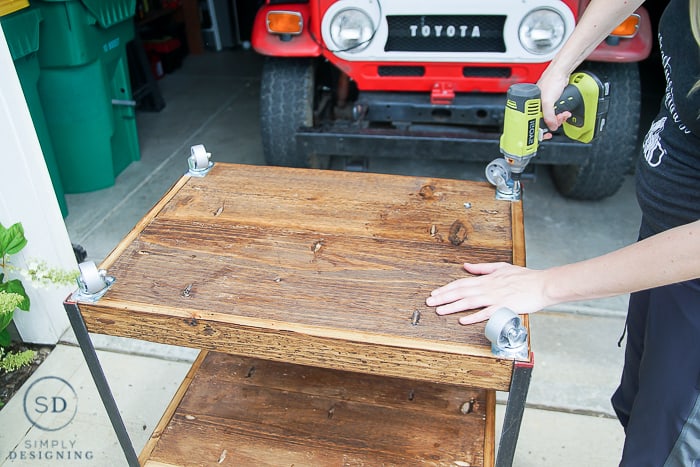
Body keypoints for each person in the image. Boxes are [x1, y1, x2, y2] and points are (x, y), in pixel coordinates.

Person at [426, 0, 700, 464]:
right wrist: (562, 65)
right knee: (640, 410)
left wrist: (546, 284)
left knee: (670, 449)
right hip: (664, 252)